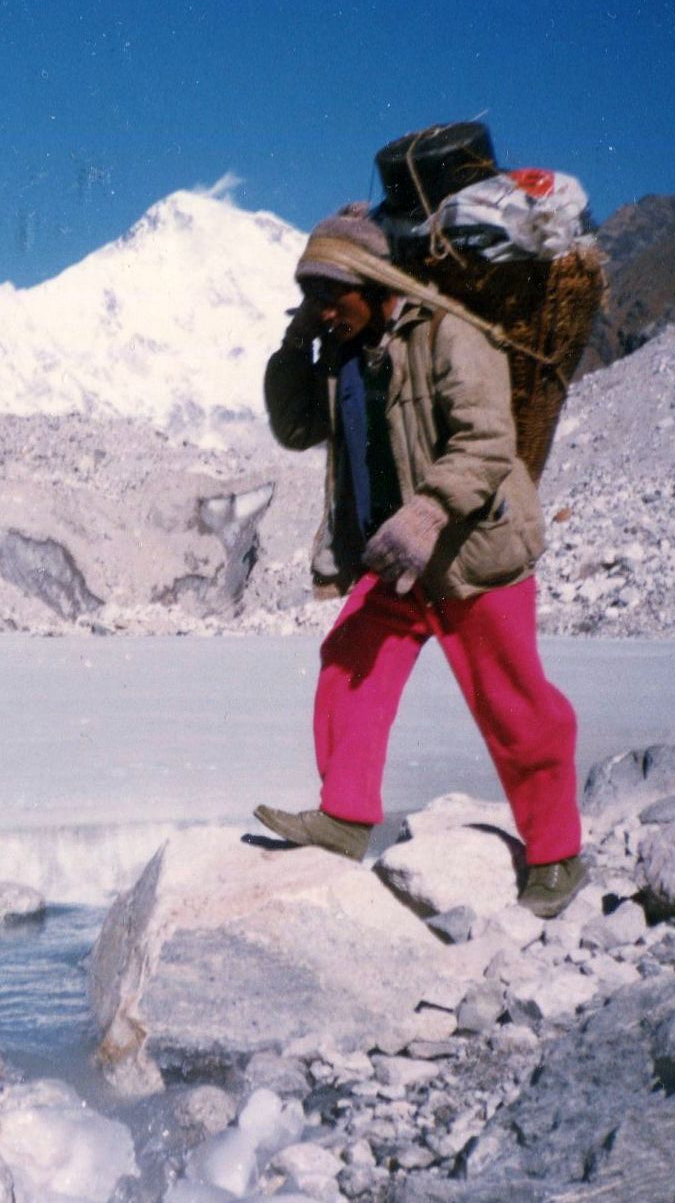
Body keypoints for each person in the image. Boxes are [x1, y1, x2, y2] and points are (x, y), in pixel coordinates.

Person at [254, 208, 588, 918]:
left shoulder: (448, 334)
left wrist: (431, 509)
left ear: (374, 284)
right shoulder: (343, 353)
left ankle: (557, 854)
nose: (322, 310)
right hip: (396, 558)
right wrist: (296, 341)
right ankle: (343, 818)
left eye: (329, 295)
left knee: (511, 703)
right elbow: (292, 428)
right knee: (349, 663)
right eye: (309, 297)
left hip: (470, 550)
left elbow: (487, 442)